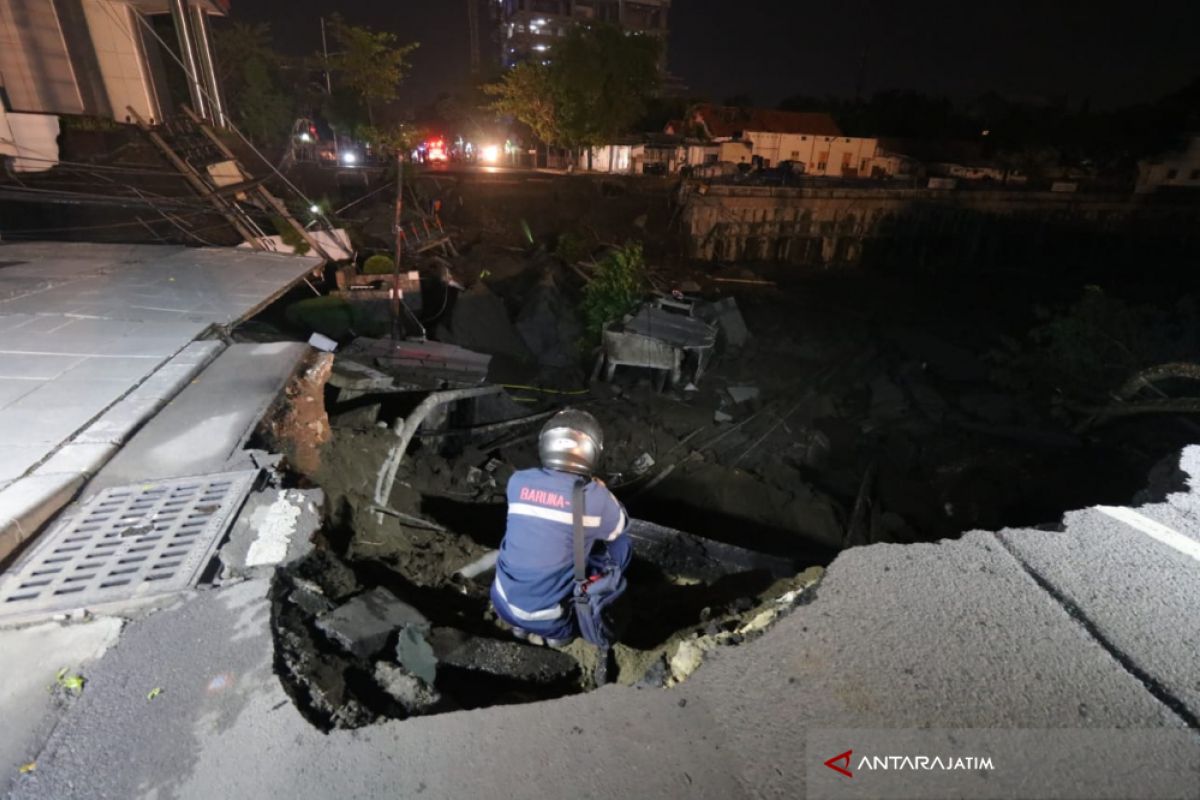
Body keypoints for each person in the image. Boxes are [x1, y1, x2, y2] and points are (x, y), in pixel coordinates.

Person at [490, 409, 632, 649]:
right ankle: (559, 639)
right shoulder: (596, 497)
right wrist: (603, 490)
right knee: (622, 544)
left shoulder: (518, 481)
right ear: (591, 451)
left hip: (501, 601)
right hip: (552, 621)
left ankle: (520, 627)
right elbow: (621, 526)